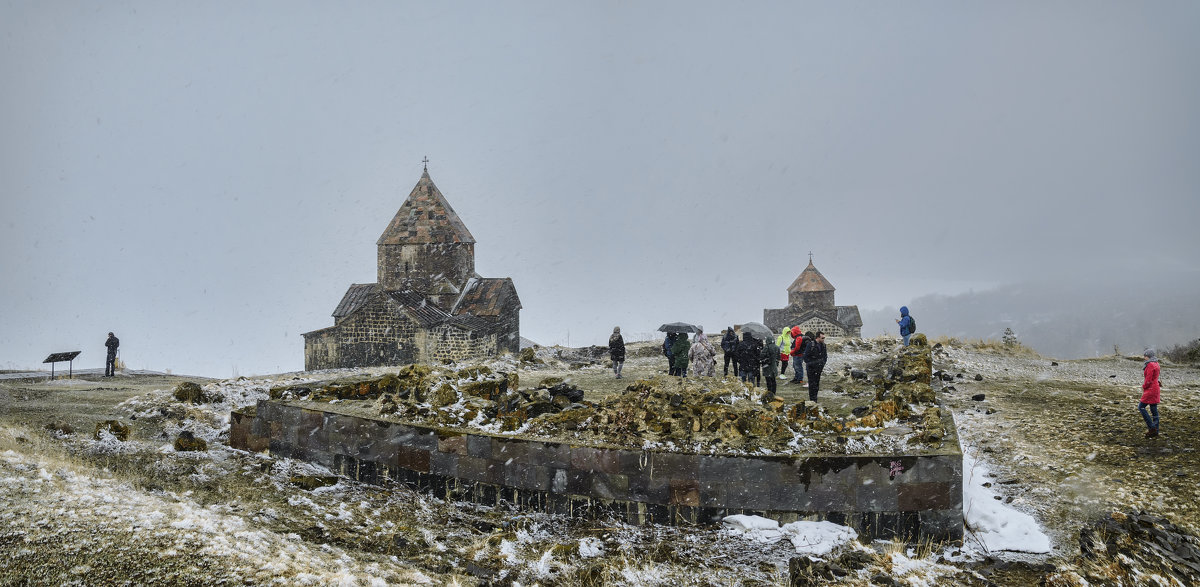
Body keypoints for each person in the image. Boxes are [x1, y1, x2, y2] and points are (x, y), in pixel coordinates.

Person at [1139, 348, 1161, 438]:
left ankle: (1152, 428)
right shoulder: (1156, 363)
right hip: (1156, 388)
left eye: (1145, 356)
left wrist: (1144, 387)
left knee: (1141, 407)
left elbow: (1148, 379)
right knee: (1153, 409)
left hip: (1151, 389)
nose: (1144, 358)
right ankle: (1156, 430)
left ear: (1148, 356)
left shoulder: (1150, 365)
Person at [803, 331, 827, 401]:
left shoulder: (823, 345)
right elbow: (805, 357)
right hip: (811, 368)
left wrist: (822, 364)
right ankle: (812, 399)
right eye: (822, 338)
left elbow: (825, 356)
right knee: (812, 384)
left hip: (819, 368)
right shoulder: (811, 345)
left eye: (824, 338)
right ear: (818, 337)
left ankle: (815, 399)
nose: (823, 339)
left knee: (816, 384)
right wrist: (812, 364)